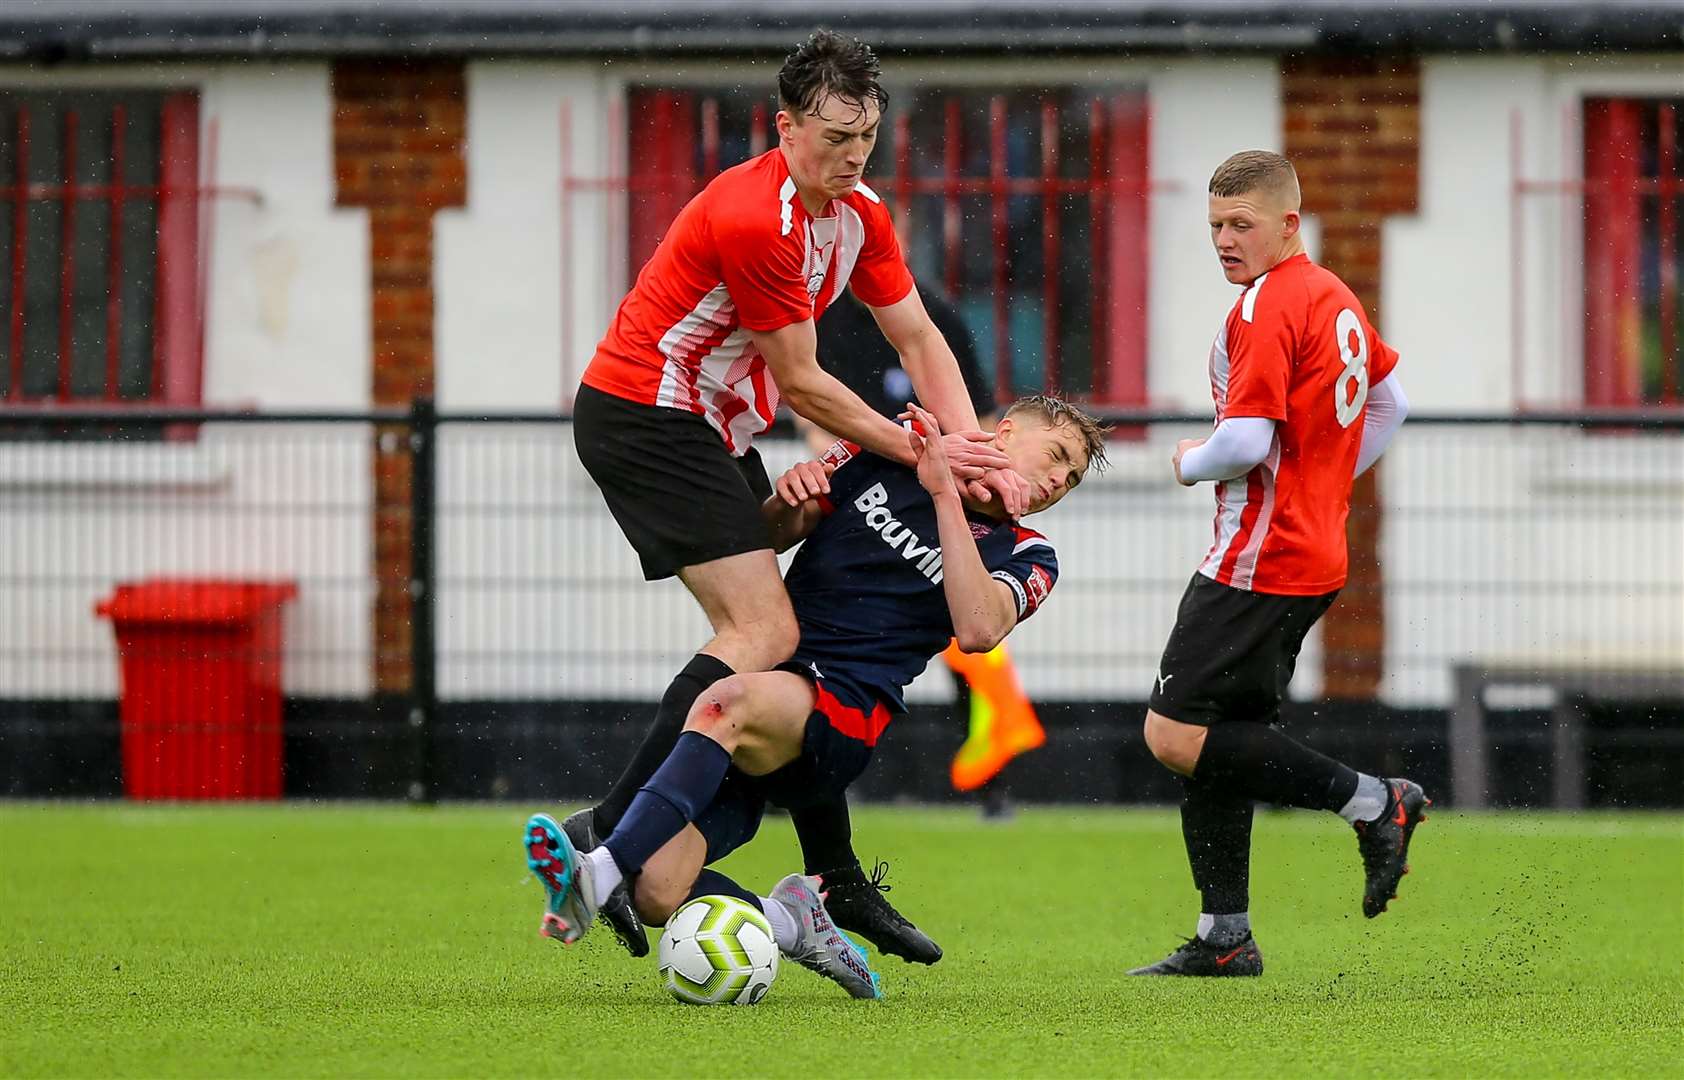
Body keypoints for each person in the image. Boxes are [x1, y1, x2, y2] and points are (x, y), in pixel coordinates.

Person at [561, 30, 1028, 965]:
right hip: (647, 415)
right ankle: (606, 834)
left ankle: (808, 888)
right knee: (768, 637)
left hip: (711, 429)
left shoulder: (860, 214)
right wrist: (922, 457)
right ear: (784, 126)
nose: (852, 157)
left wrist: (968, 447)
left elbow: (922, 341)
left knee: (788, 634)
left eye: (866, 138)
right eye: (832, 137)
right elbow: (808, 385)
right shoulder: (755, 216)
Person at [526, 397, 1109, 998]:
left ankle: (597, 870)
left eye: (1070, 480)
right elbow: (768, 539)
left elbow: (979, 629)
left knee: (722, 702)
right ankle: (791, 921)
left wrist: (944, 495)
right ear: (1004, 432)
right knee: (656, 892)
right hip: (770, 697)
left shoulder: (1030, 553)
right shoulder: (882, 456)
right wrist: (788, 500)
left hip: (842, 715)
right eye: (1057, 456)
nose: (1057, 482)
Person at [1127, 150, 1418, 978]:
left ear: (1288, 223)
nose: (1224, 240)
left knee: (1175, 733)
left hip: (1258, 557)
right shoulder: (1333, 294)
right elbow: (1395, 402)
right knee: (1224, 736)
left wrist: (1180, 460)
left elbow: (1245, 441)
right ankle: (1226, 936)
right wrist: (1324, 478)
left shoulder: (1266, 304)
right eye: (1215, 226)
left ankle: (1376, 802)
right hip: (1313, 551)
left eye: (1241, 225)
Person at [810, 287, 1047, 820]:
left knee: (978, 658)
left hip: (948, 506)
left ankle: (993, 783)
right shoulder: (822, 318)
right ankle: (829, 774)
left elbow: (978, 414)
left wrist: (974, 489)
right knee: (840, 639)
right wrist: (831, 465)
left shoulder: (936, 316)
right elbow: (808, 401)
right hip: (872, 490)